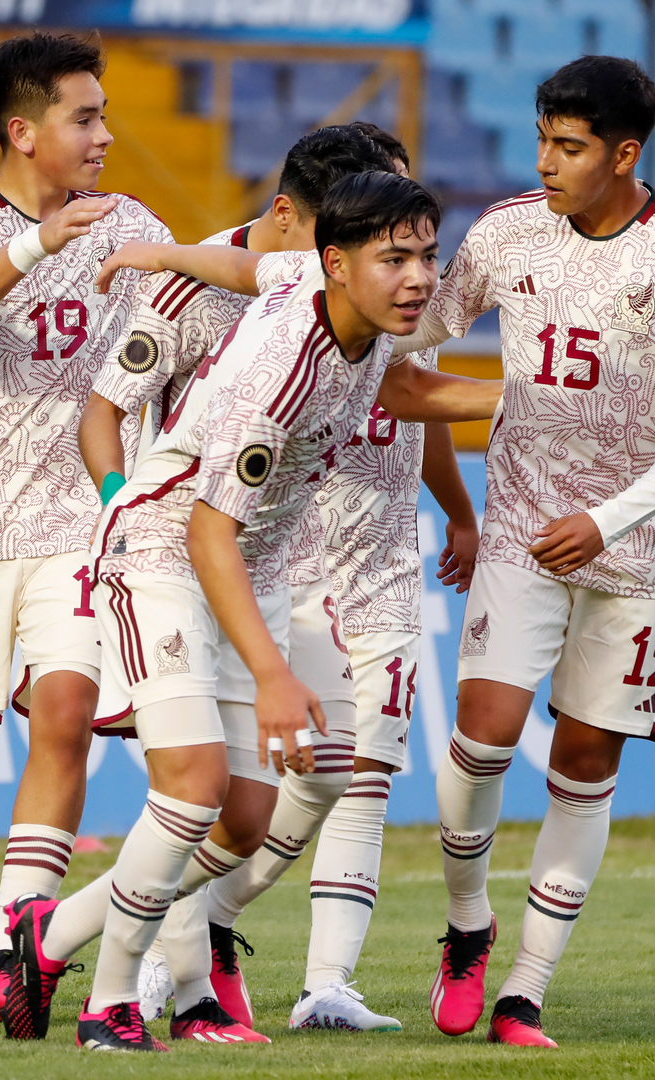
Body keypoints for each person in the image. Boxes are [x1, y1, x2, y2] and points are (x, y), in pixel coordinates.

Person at [0, 171, 503, 1051]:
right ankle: (111, 1003)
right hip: (163, 555)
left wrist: (524, 397)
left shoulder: (323, 293)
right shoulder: (283, 377)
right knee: (192, 787)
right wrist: (273, 674)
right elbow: (204, 533)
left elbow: (369, 366)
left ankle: (51, 935)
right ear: (339, 263)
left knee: (245, 819)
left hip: (247, 566)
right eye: (396, 259)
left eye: (427, 254)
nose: (420, 277)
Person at [396, 55, 655, 1048]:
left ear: (624, 152)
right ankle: (468, 925)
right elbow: (417, 333)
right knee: (482, 735)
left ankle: (525, 991)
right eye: (543, 139)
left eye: (570, 146)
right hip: (520, 528)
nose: (545, 161)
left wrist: (610, 518)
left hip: (637, 552)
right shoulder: (507, 232)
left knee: (587, 759)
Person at [74, 125, 405, 1037]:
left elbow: (395, 391)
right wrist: (119, 499)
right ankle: (161, 990)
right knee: (192, 786)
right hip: (179, 547)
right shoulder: (201, 296)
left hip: (273, 551)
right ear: (305, 221)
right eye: (370, 230)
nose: (396, 254)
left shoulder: (337, 288)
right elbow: (104, 409)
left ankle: (69, 934)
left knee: (265, 802)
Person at [175, 123, 484, 1034]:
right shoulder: (300, 305)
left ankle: (327, 980)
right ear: (333, 237)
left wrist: (458, 510)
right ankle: (188, 921)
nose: (408, 254)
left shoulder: (401, 299)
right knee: (294, 777)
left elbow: (416, 399)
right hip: (289, 543)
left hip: (384, 550)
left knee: (369, 767)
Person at [0, 30, 172, 1019]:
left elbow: (182, 325)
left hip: (78, 527)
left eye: (102, 115)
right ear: (23, 131)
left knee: (65, 718)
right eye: (84, 116)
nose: (105, 134)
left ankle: (22, 943)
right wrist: (35, 246)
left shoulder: (128, 223)